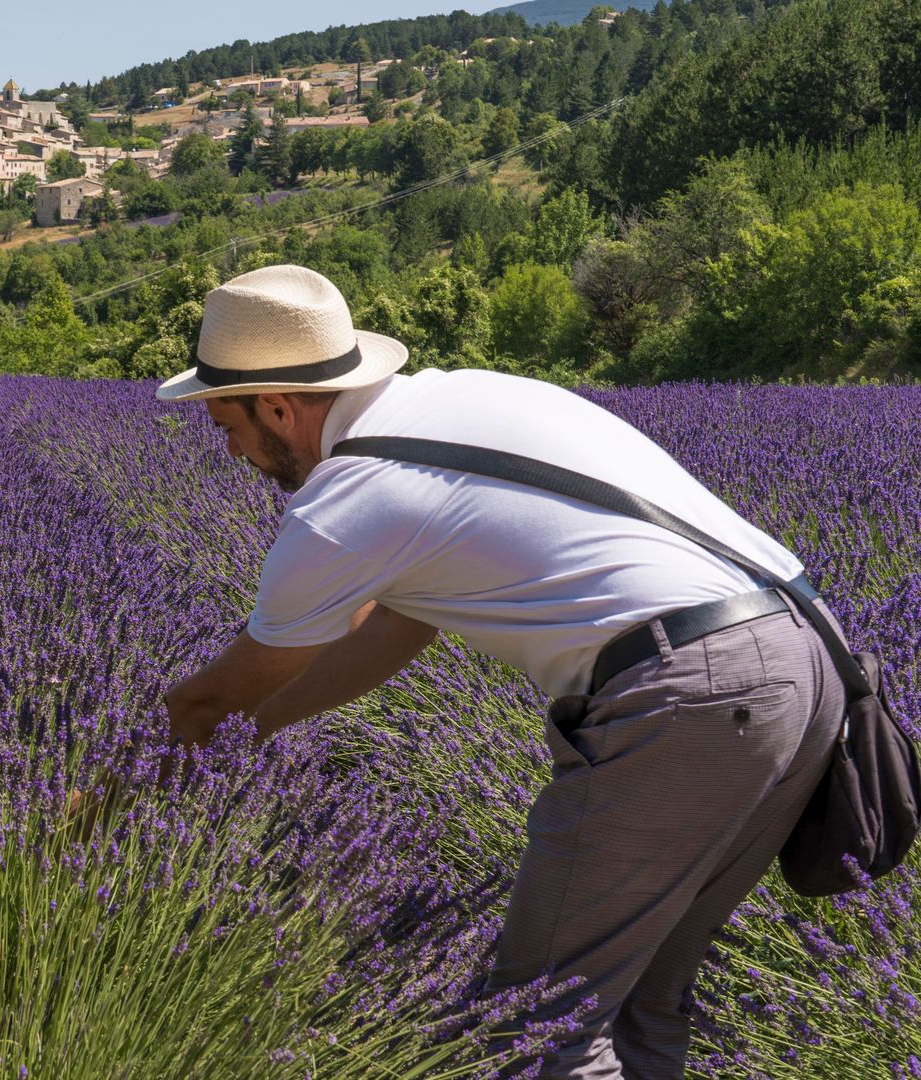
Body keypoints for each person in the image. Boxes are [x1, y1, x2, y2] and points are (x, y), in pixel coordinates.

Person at [151, 264, 845, 1078]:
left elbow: (209, 702)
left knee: (534, 1023)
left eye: (224, 422)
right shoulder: (464, 400)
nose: (228, 449)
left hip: (691, 693)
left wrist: (108, 798)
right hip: (808, 660)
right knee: (637, 1004)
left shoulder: (345, 503)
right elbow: (402, 629)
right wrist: (255, 734)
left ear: (277, 405)